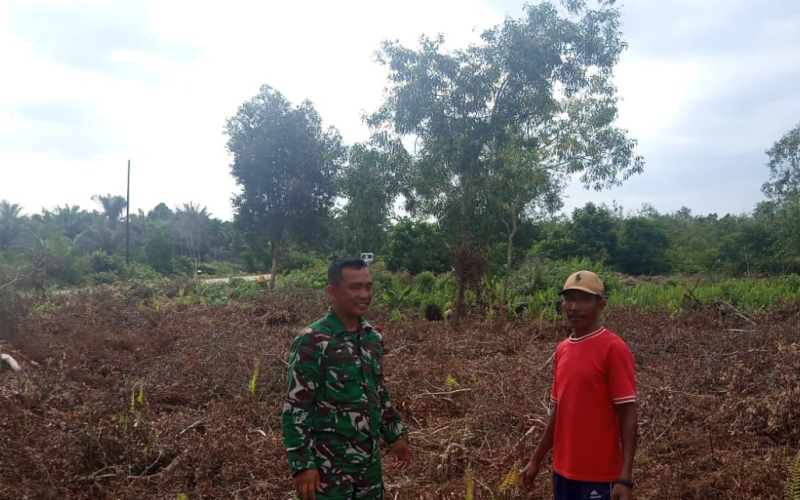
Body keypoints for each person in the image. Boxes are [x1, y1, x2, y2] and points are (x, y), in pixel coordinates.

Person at [282, 258, 411, 500]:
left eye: (368, 287)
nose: (364, 294)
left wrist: (395, 433)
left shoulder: (372, 338)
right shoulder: (312, 340)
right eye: (355, 287)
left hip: (369, 465)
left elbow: (378, 391)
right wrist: (303, 465)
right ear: (332, 292)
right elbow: (296, 407)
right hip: (327, 468)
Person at [522, 271, 638, 500]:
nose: (575, 306)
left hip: (600, 476)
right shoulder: (562, 349)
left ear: (601, 305)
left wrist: (625, 478)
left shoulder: (613, 349)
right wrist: (535, 460)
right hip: (562, 473)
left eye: (585, 299)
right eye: (569, 298)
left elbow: (628, 415)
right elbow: (559, 410)